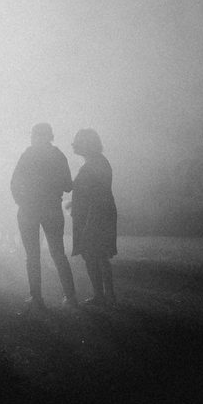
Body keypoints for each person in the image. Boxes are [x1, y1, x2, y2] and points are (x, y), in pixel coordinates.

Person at [10, 122, 78, 308]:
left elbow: (14, 182)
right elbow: (67, 185)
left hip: (29, 209)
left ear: (34, 136)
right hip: (51, 208)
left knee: (32, 255)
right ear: (50, 136)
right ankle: (70, 296)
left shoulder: (28, 155)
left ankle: (36, 297)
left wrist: (21, 201)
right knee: (58, 253)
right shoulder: (57, 156)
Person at [70, 128, 117, 303]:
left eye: (78, 141)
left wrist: (89, 221)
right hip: (96, 214)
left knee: (93, 254)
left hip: (95, 215)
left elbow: (97, 195)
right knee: (98, 255)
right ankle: (106, 294)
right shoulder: (97, 162)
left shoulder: (94, 164)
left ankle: (102, 295)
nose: (74, 144)